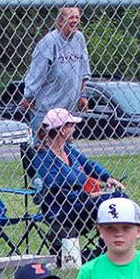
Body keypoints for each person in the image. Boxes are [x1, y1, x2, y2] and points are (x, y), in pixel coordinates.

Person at [30, 107, 126, 260]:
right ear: (62, 130)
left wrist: (107, 177)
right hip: (61, 210)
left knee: (120, 198)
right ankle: (108, 251)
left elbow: (88, 164)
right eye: (71, 126)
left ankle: (109, 248)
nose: (75, 129)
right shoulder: (43, 157)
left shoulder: (68, 150)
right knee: (108, 201)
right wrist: (87, 196)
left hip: (81, 204)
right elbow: (58, 190)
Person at [19, 6, 91, 137]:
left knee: (65, 149)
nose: (75, 21)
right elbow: (37, 72)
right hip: (46, 110)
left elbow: (83, 70)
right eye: (71, 17)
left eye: (77, 17)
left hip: (68, 110)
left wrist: (83, 94)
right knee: (42, 149)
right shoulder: (49, 42)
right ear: (60, 22)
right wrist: (29, 96)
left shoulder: (79, 39)